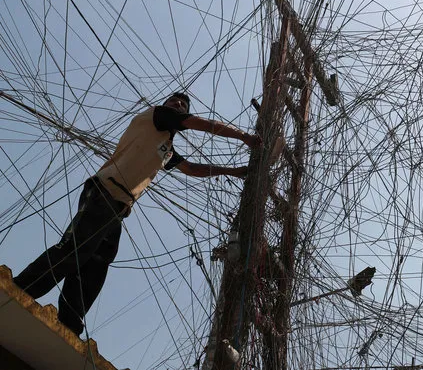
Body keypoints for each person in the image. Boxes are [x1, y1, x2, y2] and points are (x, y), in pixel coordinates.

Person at [13, 92, 260, 336]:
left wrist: (234, 171)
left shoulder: (166, 147)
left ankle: (69, 322)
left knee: (94, 266)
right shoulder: (158, 116)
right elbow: (202, 124)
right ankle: (21, 289)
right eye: (175, 101)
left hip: (118, 209)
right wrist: (245, 137)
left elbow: (191, 168)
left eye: (183, 104)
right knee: (75, 250)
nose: (178, 104)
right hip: (104, 191)